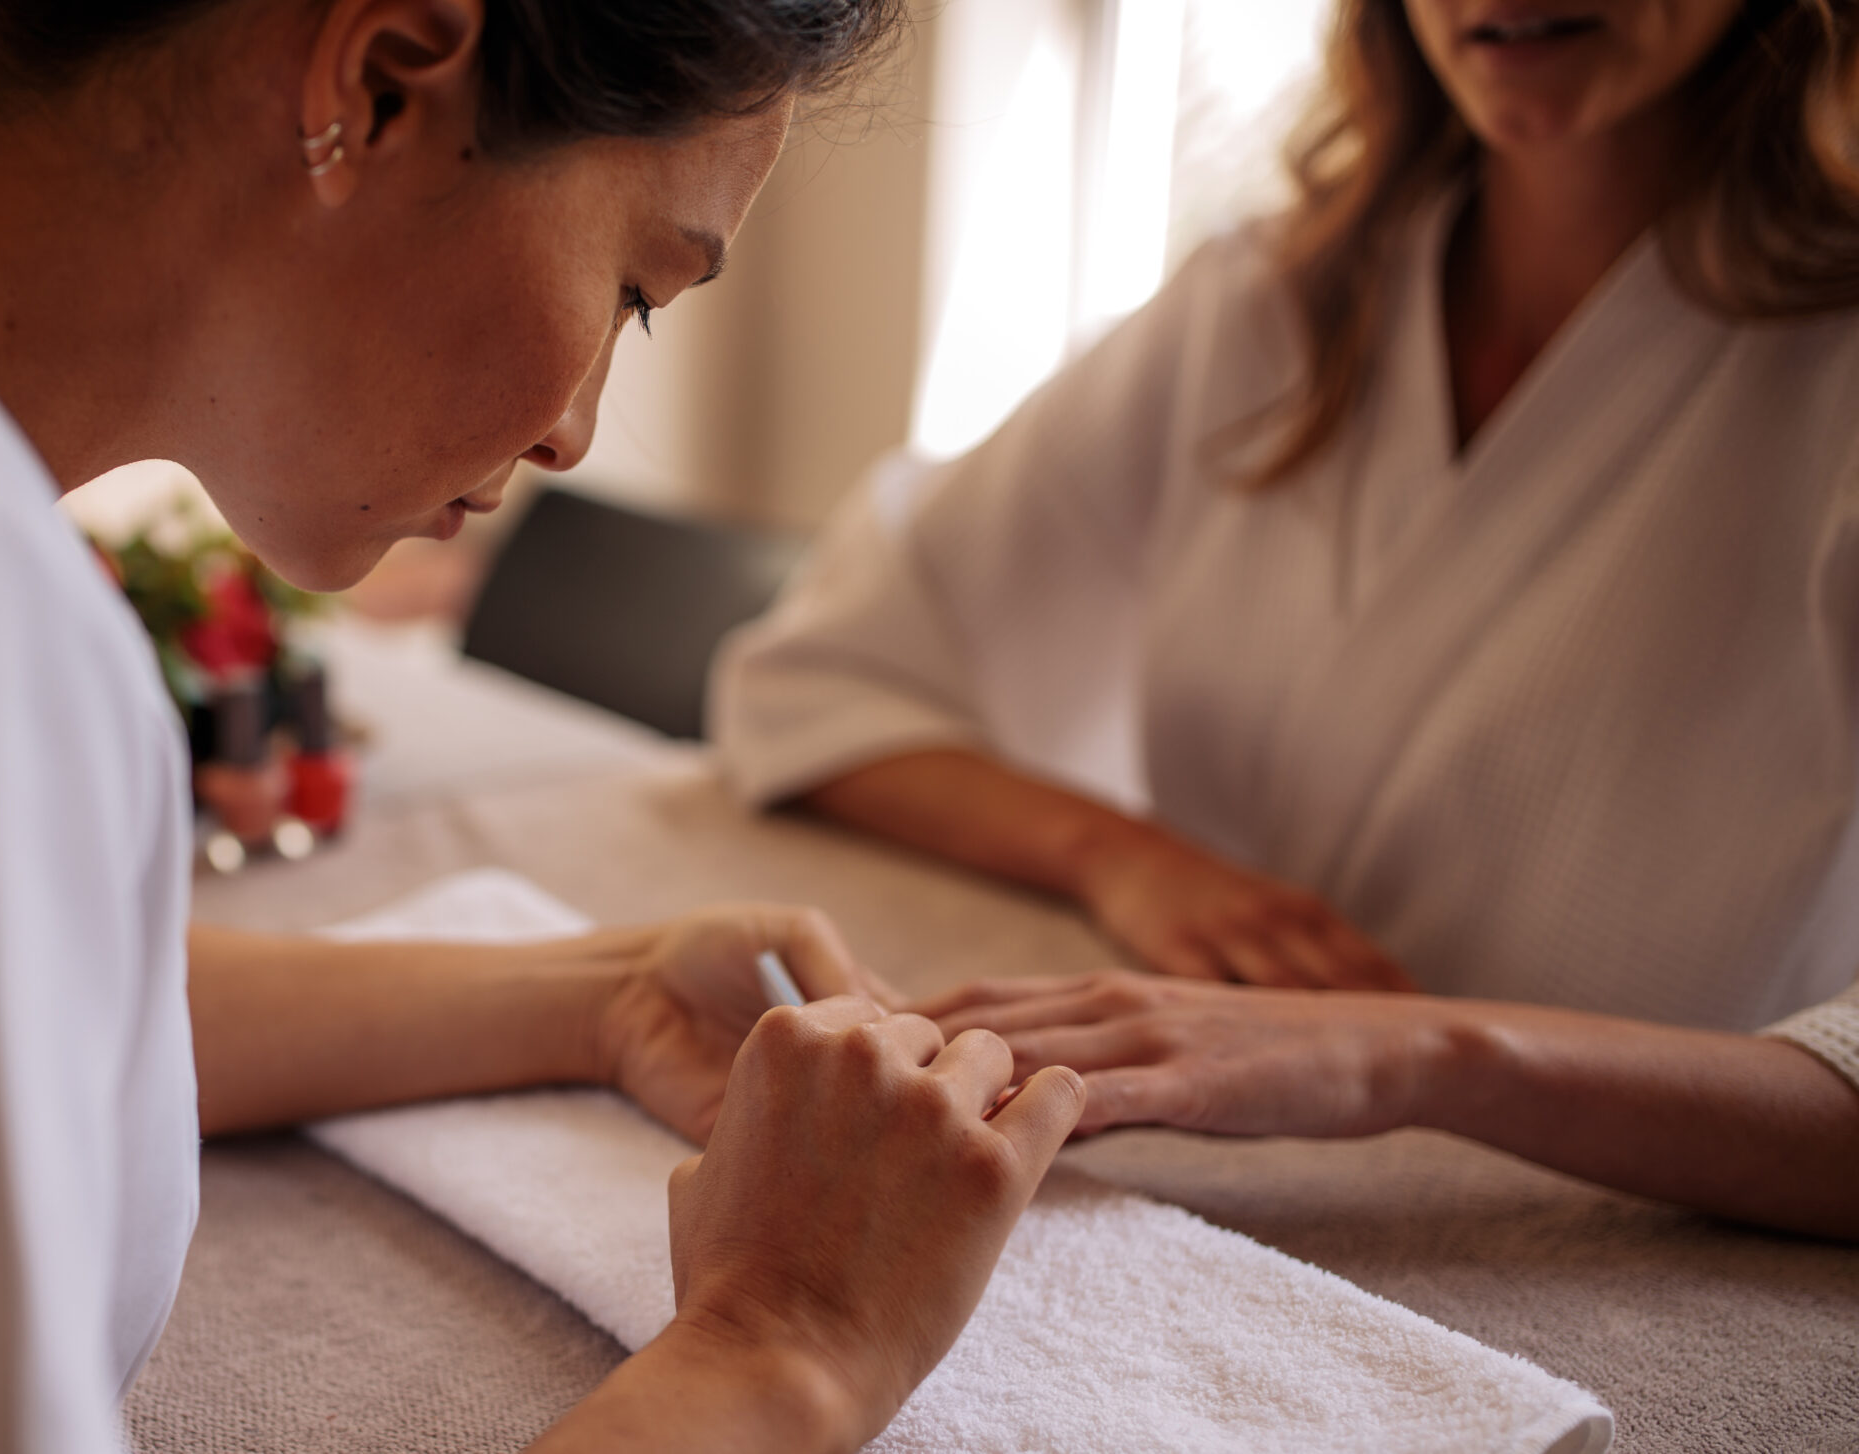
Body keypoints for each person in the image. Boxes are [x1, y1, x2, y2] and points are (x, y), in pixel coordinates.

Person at [0, 2, 1092, 1450]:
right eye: (634, 283)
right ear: (381, 78)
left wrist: (600, 990)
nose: (576, 431)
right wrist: (790, 1347)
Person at [712, 0, 1859, 1240]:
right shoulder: (1261, 301)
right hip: (1190, 1193)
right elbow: (815, 677)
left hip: (1625, 1265)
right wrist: (1127, 856)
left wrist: (1417, 1054)